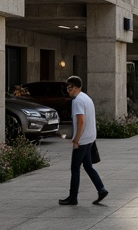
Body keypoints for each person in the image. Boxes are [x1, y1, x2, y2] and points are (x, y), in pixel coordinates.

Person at [59, 76, 108, 207]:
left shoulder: (77, 101)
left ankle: (73, 197)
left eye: (69, 88)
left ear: (75, 87)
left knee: (75, 168)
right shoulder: (86, 98)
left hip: (83, 140)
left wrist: (76, 140)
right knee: (88, 166)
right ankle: (101, 189)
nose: (68, 90)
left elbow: (81, 120)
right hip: (90, 138)